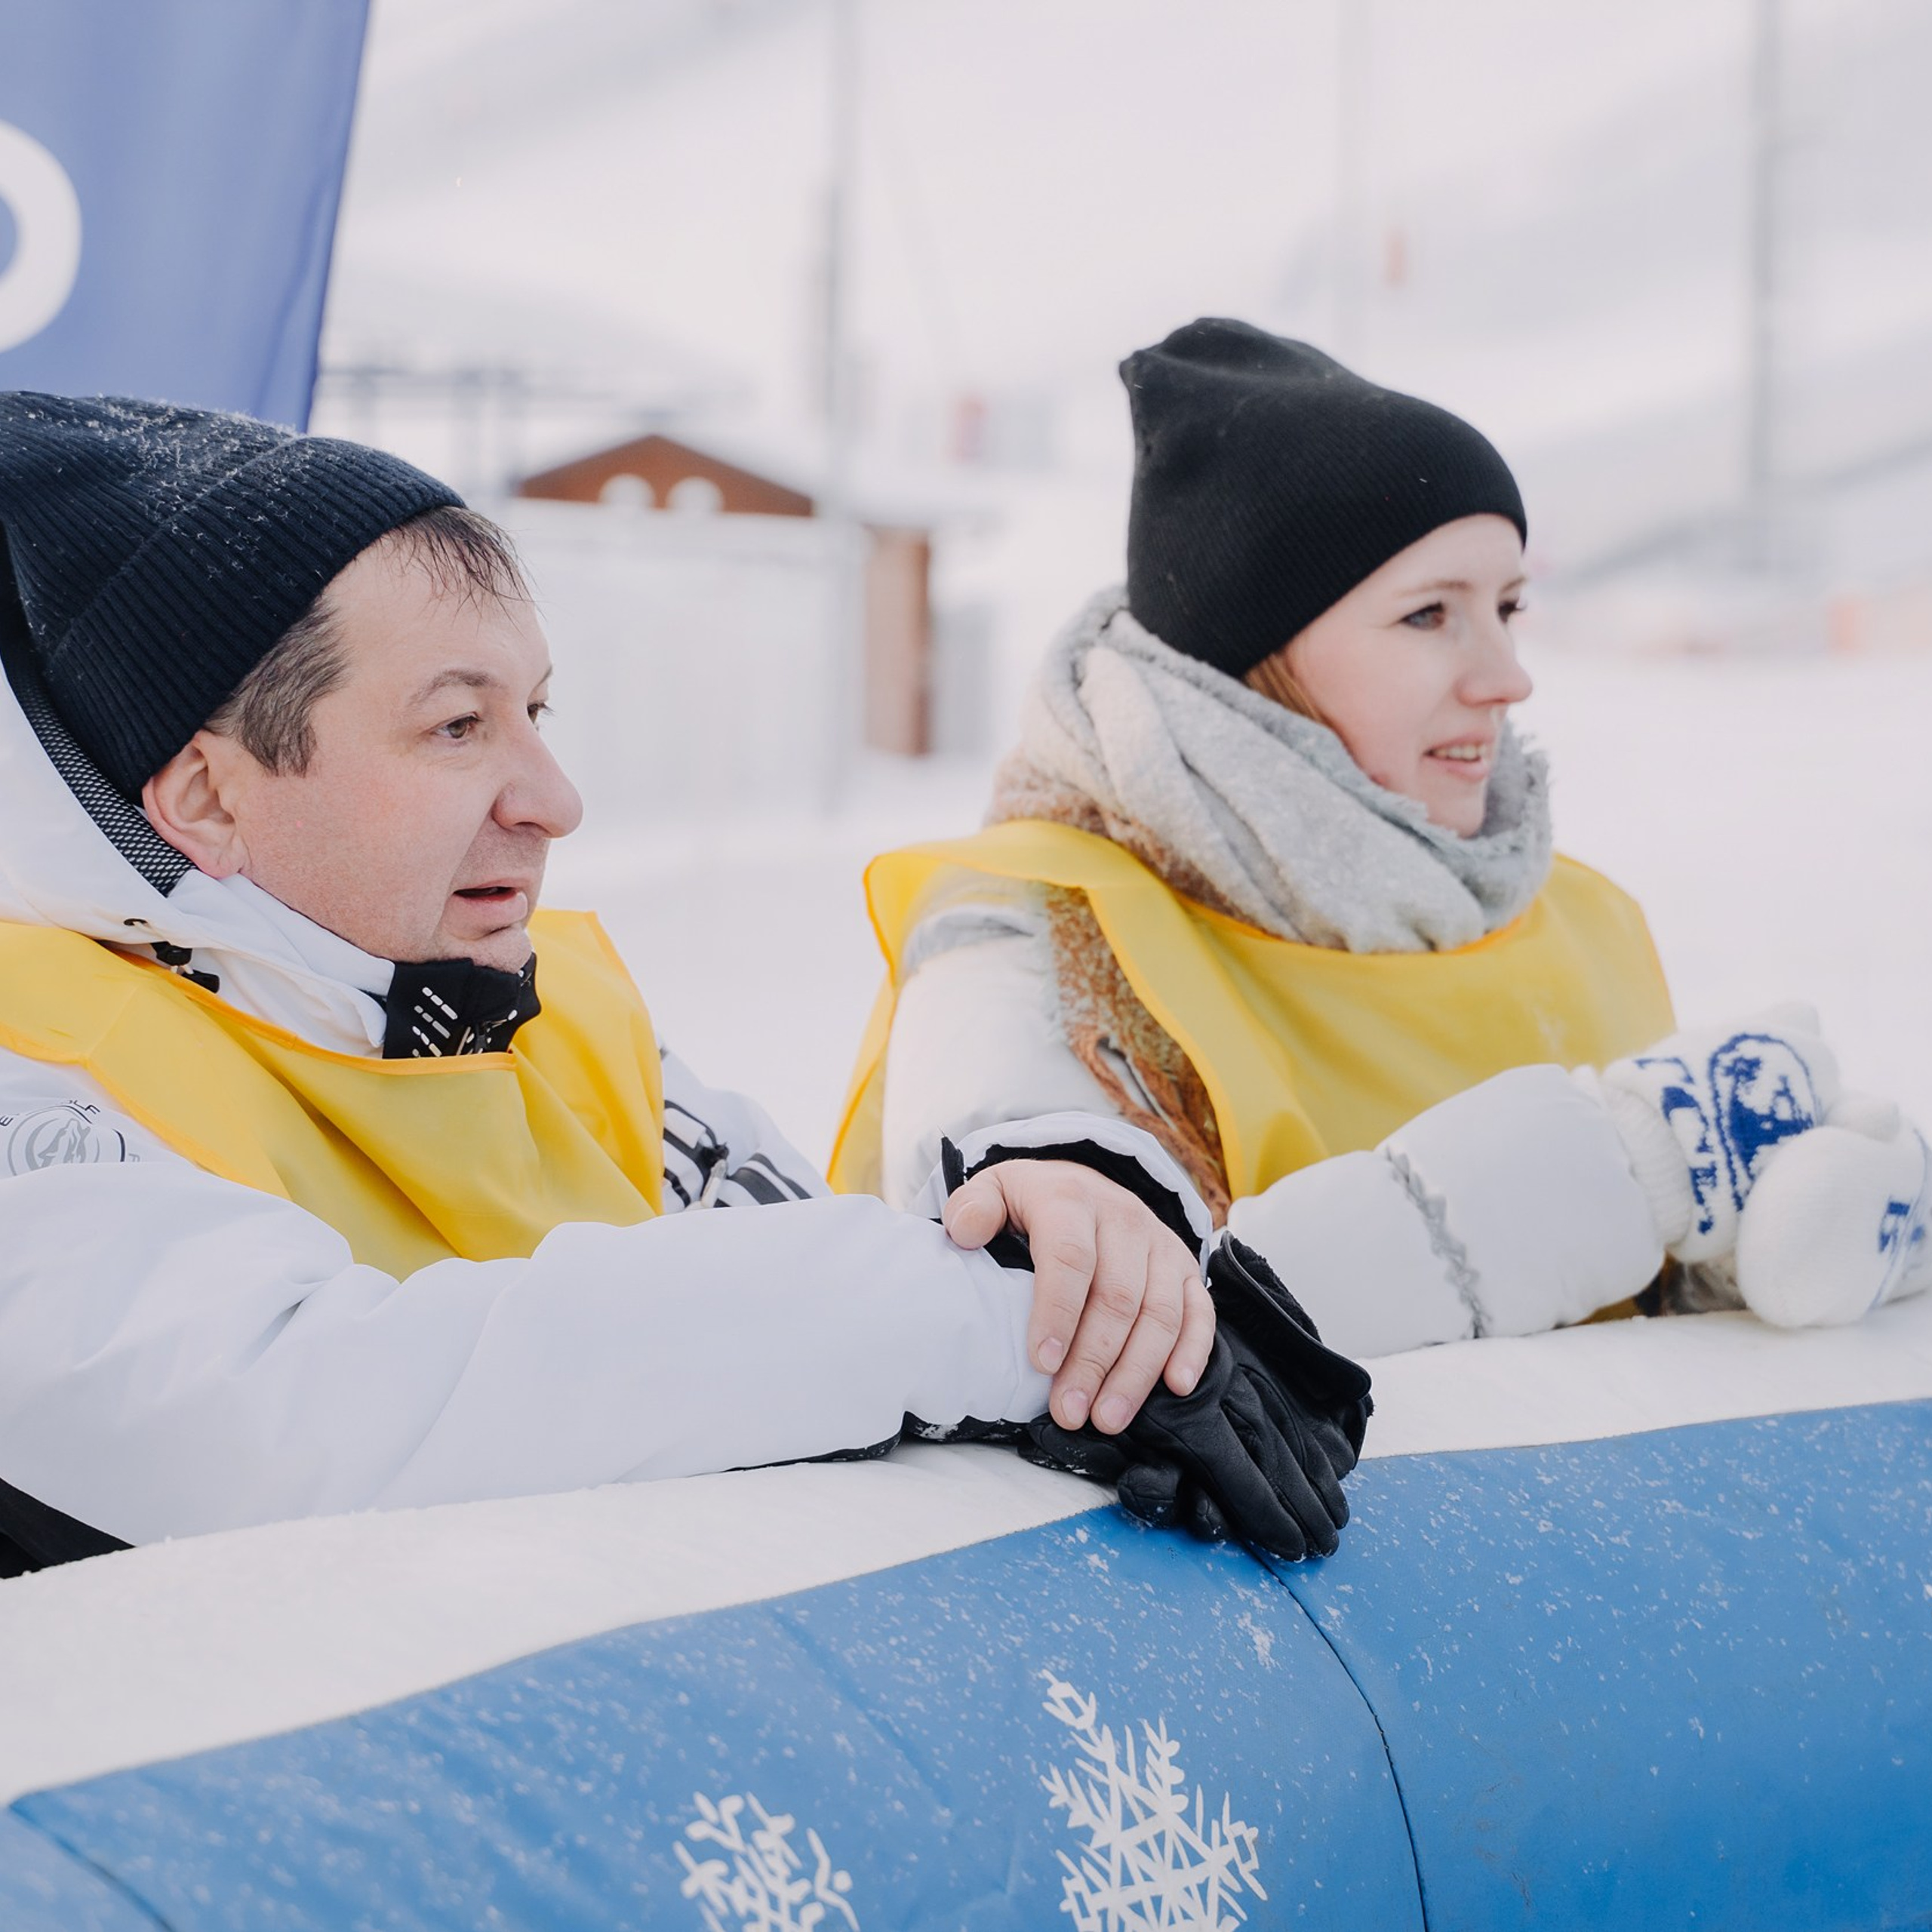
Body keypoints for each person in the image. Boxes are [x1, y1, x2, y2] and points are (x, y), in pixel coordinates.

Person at [0, 392, 1371, 1574]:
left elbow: (802, 1265)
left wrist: (1052, 1256)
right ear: (208, 797)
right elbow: (290, 1417)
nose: (553, 798)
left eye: (537, 713)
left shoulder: (538, 1018)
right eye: (457, 724)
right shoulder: (35, 1059)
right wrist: (965, 1326)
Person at [834, 319, 1930, 1355]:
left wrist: (1760, 1254)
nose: (1507, 679)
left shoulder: (1577, 917)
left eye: (1507, 607)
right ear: (1246, 666)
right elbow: (1092, 1330)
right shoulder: (1038, 934)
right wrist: (1621, 1174)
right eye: (1428, 614)